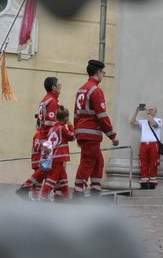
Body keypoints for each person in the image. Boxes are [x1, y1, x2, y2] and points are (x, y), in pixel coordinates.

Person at [73, 59, 119, 195]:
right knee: (87, 162)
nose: (103, 75)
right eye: (102, 72)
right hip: (91, 133)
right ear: (98, 72)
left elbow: (76, 113)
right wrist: (113, 136)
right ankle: (78, 191)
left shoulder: (81, 89)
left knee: (98, 160)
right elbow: (102, 116)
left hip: (83, 132)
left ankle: (96, 189)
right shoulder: (96, 91)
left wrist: (77, 133)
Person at [17, 77, 61, 197]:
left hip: (44, 138)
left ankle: (62, 195)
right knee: (46, 168)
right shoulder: (52, 101)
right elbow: (50, 124)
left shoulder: (44, 100)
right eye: (59, 85)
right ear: (53, 87)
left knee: (56, 167)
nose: (60, 86)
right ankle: (26, 187)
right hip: (48, 140)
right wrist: (53, 139)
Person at [33, 107, 73, 201]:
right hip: (59, 156)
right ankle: (43, 196)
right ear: (65, 118)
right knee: (52, 177)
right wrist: (70, 126)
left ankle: (66, 197)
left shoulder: (52, 129)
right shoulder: (62, 128)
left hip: (52, 156)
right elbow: (72, 136)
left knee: (63, 178)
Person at [132, 103, 163, 190]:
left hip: (154, 144)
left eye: (151, 110)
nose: (149, 111)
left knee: (153, 163)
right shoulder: (143, 121)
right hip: (144, 144)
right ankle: (144, 183)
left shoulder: (159, 120)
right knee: (143, 163)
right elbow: (132, 122)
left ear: (155, 111)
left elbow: (154, 125)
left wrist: (149, 115)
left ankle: (152, 183)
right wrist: (136, 111)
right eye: (148, 109)